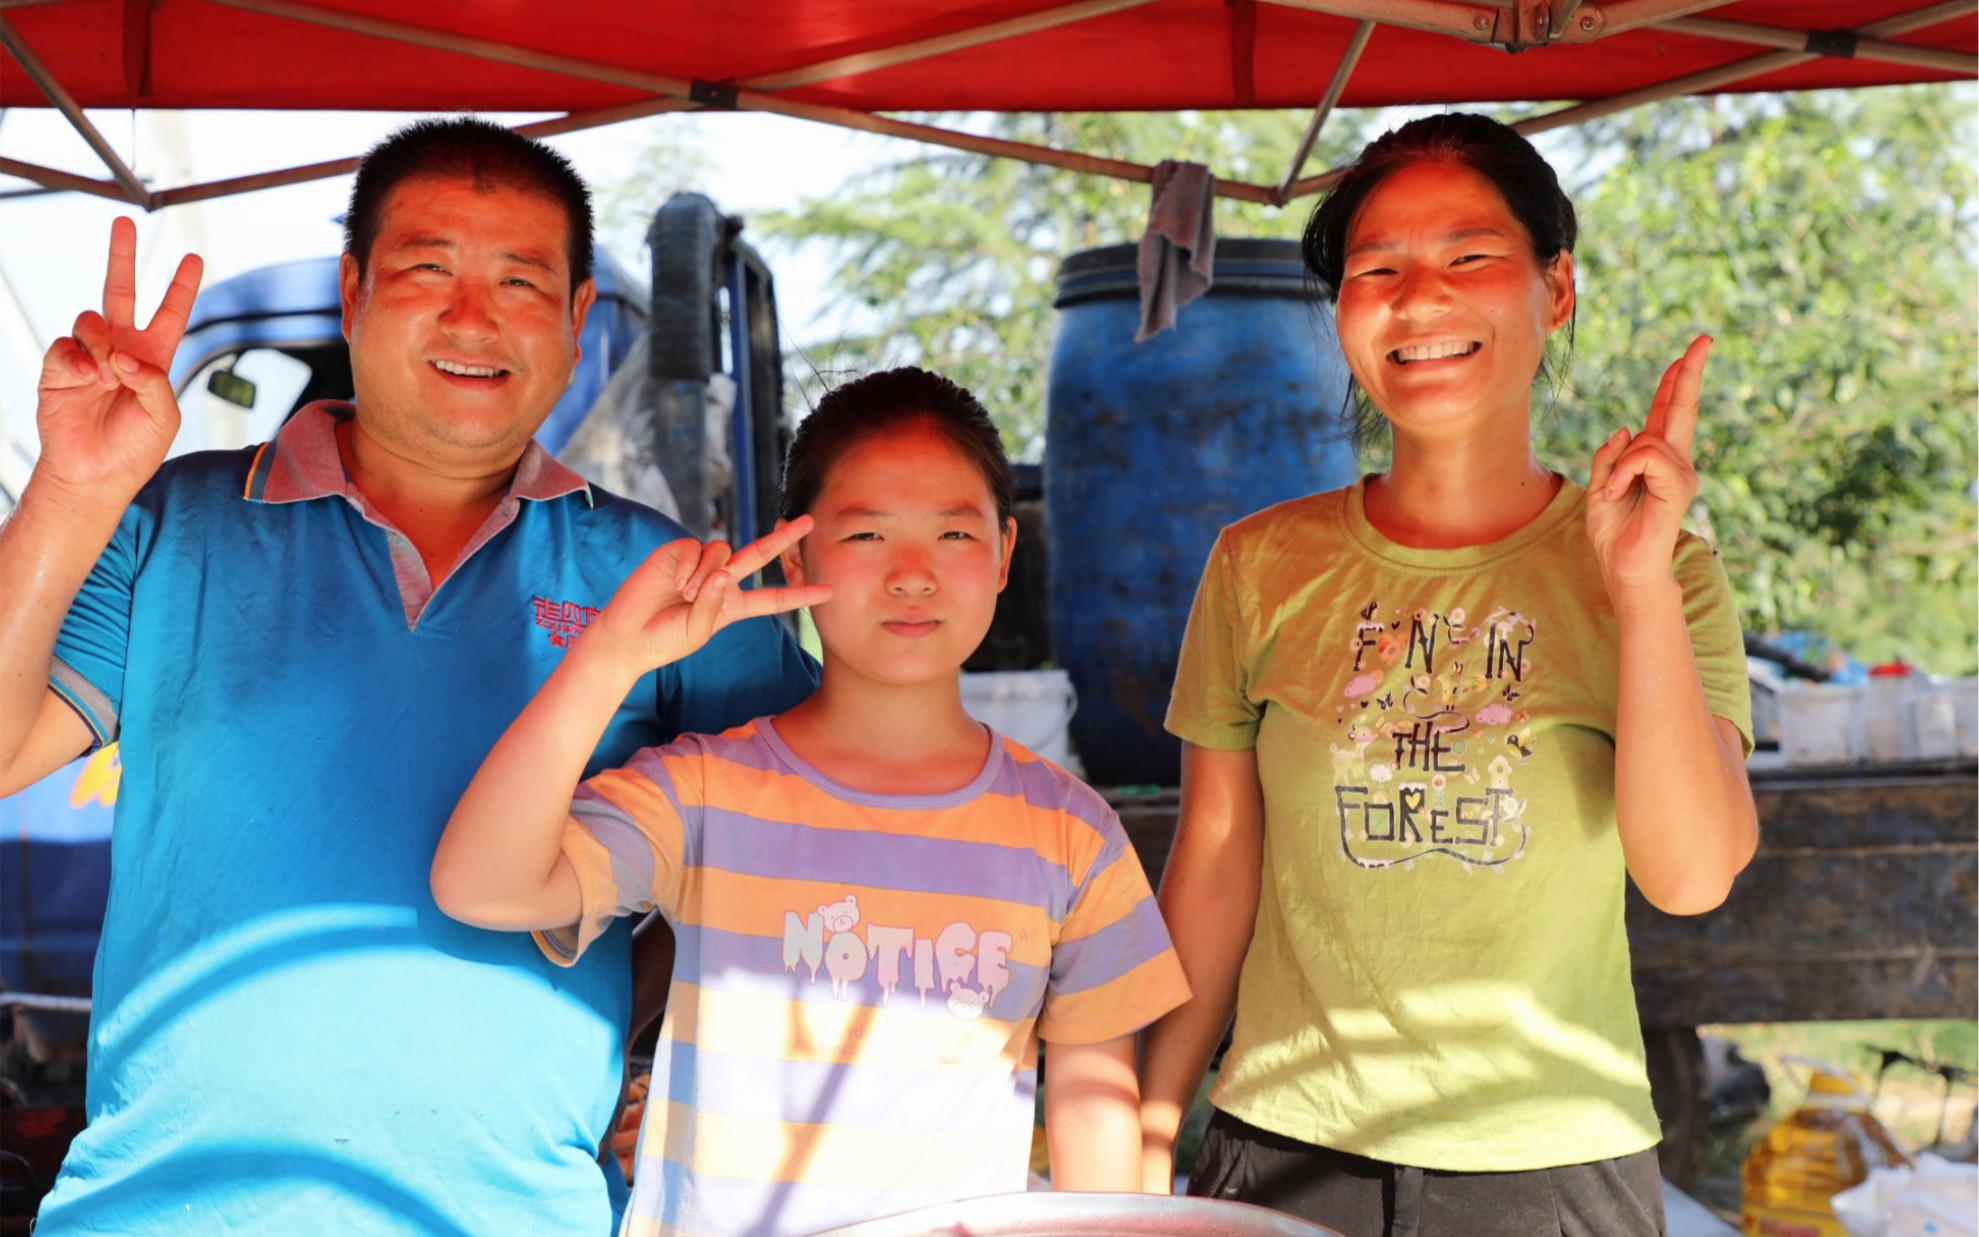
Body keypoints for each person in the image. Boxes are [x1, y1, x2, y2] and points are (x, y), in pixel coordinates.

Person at [0, 118, 816, 1235]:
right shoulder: (173, 522)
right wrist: (73, 487)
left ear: (578, 322)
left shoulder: (657, 579)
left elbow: (809, 834)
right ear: (354, 293)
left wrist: (663, 1052)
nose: (470, 317)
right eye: (427, 269)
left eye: (519, 281)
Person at [1137, 113, 1757, 1237]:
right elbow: (1217, 867)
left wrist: (1637, 587)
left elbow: (1691, 874)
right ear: (1339, 314)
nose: (1417, 299)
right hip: (1283, 1152)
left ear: (1552, 289)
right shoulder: (1256, 564)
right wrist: (1142, 1122)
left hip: (1552, 1164)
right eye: (1375, 269)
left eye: (1468, 257)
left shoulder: (1664, 570)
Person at [430, 367, 1193, 1237]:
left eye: (953, 531)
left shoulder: (1071, 835)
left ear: (1005, 553)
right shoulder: (705, 792)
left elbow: (1095, 1116)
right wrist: (609, 659)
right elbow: (479, 885)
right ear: (797, 556)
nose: (912, 575)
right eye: (866, 533)